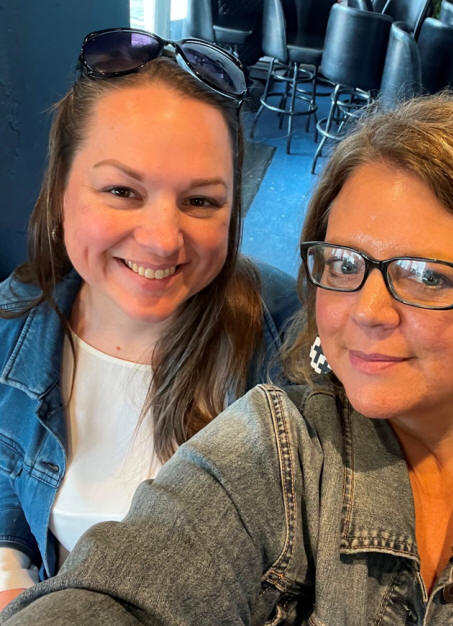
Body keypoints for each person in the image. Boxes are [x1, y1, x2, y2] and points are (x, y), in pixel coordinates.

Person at [3, 93, 453, 625]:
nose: (368, 312)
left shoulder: (275, 325)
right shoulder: (274, 444)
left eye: (427, 275)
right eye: (343, 264)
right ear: (59, 190)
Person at [0, 29, 299, 610]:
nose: (163, 241)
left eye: (201, 201)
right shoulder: (17, 320)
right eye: (122, 190)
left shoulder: (288, 336)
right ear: (61, 190)